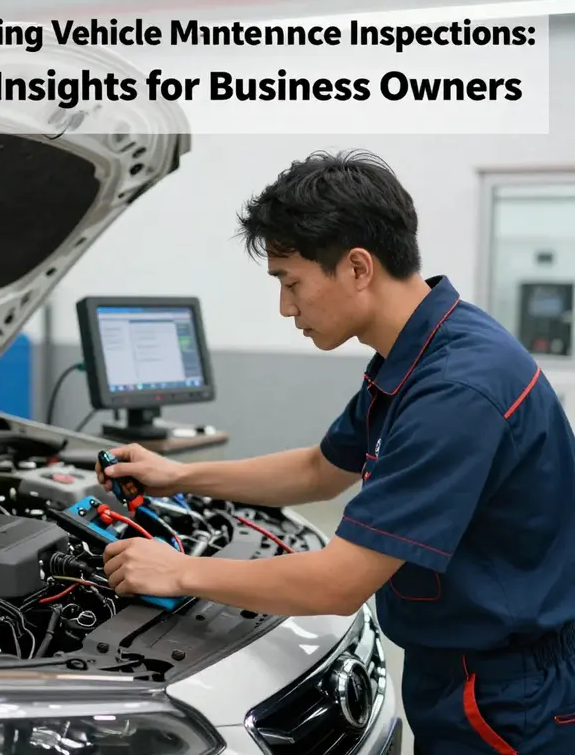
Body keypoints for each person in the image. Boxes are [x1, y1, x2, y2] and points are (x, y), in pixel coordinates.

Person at [96, 150, 575, 754]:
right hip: (458, 666)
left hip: (510, 696)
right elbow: (320, 470)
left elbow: (340, 581)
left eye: (291, 282)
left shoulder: (455, 388)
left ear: (356, 268)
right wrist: (180, 475)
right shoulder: (423, 350)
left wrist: (178, 569)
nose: (285, 307)